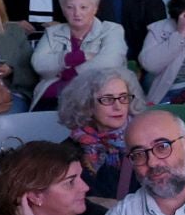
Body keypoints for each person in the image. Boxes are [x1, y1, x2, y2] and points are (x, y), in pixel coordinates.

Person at [29, 0, 129, 107]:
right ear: (63, 9)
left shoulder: (112, 30)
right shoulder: (52, 32)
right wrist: (77, 57)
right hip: (53, 98)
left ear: (95, 8)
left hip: (97, 99)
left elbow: (110, 62)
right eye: (70, 7)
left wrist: (73, 72)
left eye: (83, 7)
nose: (77, 13)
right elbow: (39, 64)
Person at [59, 63, 141, 202]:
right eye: (107, 99)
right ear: (87, 105)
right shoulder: (67, 152)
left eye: (123, 97)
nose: (118, 106)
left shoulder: (145, 142)